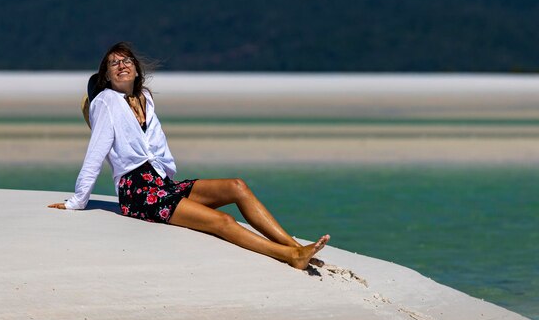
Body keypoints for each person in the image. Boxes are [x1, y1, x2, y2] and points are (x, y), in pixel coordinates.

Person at [49, 42, 329, 270]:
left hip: (162, 185)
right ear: (107, 77)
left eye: (127, 61)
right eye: (114, 63)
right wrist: (78, 200)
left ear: (136, 69)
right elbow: (96, 152)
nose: (122, 65)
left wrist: (166, 177)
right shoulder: (105, 102)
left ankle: (295, 246)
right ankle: (289, 257)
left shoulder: (146, 97)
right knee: (222, 222)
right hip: (138, 191)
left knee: (237, 186)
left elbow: (154, 146)